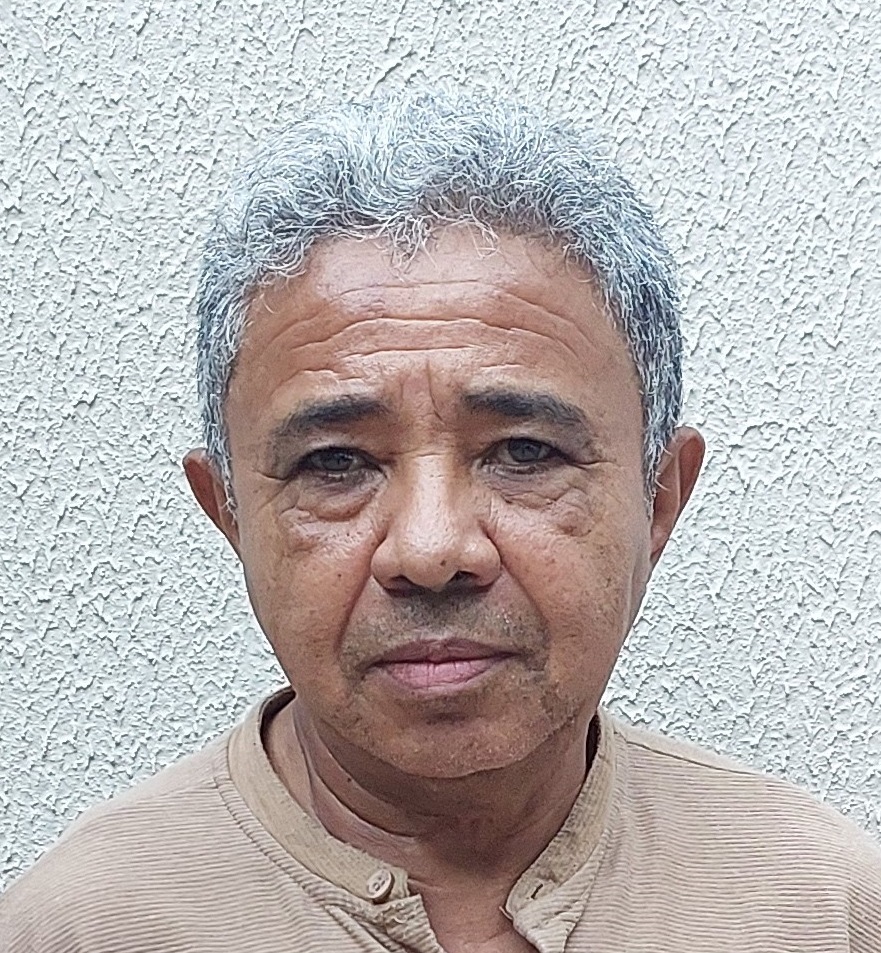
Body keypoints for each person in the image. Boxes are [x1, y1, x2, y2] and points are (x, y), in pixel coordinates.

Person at [1, 89, 879, 953]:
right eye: (335, 463)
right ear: (228, 511)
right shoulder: (79, 928)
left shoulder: (821, 907)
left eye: (524, 452)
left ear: (658, 498)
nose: (429, 550)